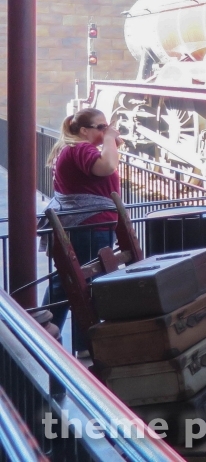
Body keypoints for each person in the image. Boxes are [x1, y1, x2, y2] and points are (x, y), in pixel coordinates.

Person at [42, 108, 122, 354]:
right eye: (101, 127)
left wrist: (108, 141)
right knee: (84, 283)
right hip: (90, 225)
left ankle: (50, 332)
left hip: (84, 225)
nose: (106, 130)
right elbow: (107, 166)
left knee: (71, 281)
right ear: (84, 131)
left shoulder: (72, 149)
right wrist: (110, 139)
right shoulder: (81, 149)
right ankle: (80, 342)